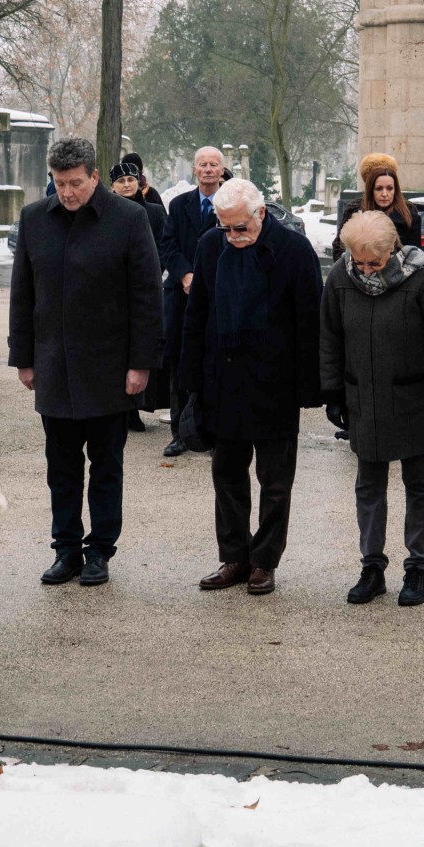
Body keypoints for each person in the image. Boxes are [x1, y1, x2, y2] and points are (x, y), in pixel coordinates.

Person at [9, 136, 163, 587]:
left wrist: (142, 363)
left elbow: (147, 297)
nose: (69, 192)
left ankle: (99, 551)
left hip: (109, 367)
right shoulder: (35, 219)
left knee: (106, 466)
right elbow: (23, 294)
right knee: (61, 468)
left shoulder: (129, 219)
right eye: (60, 183)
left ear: (95, 177)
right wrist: (23, 357)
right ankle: (66, 549)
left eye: (76, 182)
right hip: (54, 364)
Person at [183, 177, 322, 597]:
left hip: (274, 383)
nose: (232, 236)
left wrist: (309, 388)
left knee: (275, 481)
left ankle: (264, 561)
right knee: (226, 475)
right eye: (225, 227)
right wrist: (190, 379)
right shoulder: (211, 246)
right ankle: (234, 557)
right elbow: (197, 315)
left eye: (239, 227)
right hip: (223, 381)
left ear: (261, 213)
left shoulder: (294, 251)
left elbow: (309, 324)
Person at [320, 211, 424, 608]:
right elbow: (329, 336)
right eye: (359, 262)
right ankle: (372, 567)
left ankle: (417, 567)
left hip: (414, 396)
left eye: (374, 263)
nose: (365, 270)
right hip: (362, 396)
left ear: (392, 251)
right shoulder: (341, 278)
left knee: (419, 484)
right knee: (369, 485)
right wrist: (332, 392)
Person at [158, 147, 224, 456]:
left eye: (214, 165)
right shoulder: (179, 204)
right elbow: (168, 244)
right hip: (180, 297)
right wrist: (185, 275)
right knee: (179, 363)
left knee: (214, 363)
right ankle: (179, 433)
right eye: (203, 165)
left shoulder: (230, 204)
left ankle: (213, 431)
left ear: (222, 170)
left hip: (218, 298)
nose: (208, 169)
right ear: (195, 171)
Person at [110, 161, 170, 431]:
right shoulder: (107, 213)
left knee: (143, 347)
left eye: (130, 180)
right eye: (121, 181)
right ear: (112, 185)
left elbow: (163, 244)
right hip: (114, 291)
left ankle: (138, 405)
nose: (126, 185)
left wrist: (153, 272)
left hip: (145, 286)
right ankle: (120, 408)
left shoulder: (155, 213)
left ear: (139, 182)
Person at [332, 153, 421, 259]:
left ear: (395, 189)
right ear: (370, 189)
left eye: (389, 188)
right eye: (379, 188)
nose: (384, 194)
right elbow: (340, 248)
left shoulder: (409, 214)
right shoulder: (355, 211)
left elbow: (415, 256)